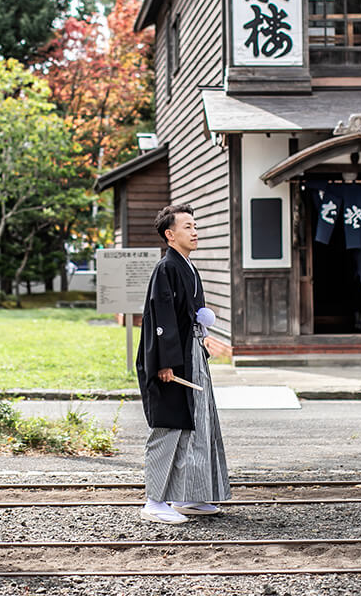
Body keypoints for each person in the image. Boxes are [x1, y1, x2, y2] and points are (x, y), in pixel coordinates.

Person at [135, 204, 231, 524]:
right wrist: (165, 363)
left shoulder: (186, 267)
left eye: (195, 226)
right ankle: (155, 500)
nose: (195, 231)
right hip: (172, 360)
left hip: (190, 353)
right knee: (170, 424)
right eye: (188, 227)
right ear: (170, 234)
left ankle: (189, 495)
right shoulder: (167, 268)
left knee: (197, 424)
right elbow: (160, 317)